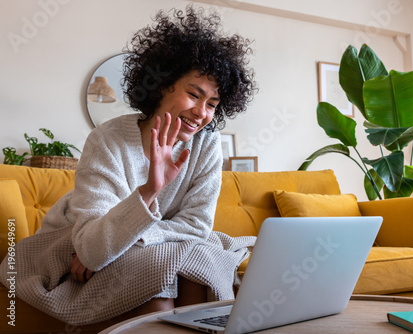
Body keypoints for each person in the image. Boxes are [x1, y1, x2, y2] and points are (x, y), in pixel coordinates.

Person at [1, 5, 257, 326]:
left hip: (141, 243)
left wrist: (137, 237)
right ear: (164, 84)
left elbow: (196, 227)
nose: (202, 113)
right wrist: (151, 189)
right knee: (157, 281)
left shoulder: (206, 144)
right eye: (195, 94)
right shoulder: (107, 139)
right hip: (78, 235)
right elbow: (92, 250)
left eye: (212, 104)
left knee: (199, 268)